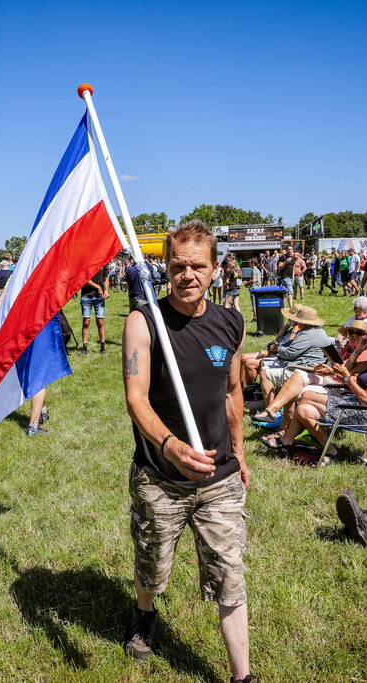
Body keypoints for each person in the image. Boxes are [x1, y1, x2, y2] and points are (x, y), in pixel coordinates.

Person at [121, 221, 255, 683]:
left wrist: (238, 452)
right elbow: (136, 397)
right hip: (161, 478)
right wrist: (172, 446)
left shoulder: (231, 322)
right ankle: (144, 612)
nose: (187, 275)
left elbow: (233, 391)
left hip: (218, 478)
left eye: (197, 266)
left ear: (215, 269)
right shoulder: (144, 322)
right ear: (166, 267)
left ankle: (242, 676)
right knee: (152, 566)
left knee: (229, 575)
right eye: (178, 265)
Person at [283, 326, 367, 464]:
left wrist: (347, 378)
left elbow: (366, 399)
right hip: (353, 404)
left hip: (365, 414)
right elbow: (347, 369)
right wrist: (359, 350)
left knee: (305, 402)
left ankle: (293, 441)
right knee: (304, 403)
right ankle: (297, 443)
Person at [251, 305, 330, 421]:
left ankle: (270, 410)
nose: (294, 321)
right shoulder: (316, 331)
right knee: (263, 365)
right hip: (304, 367)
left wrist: (276, 349)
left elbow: (288, 354)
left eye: (297, 320)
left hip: (304, 370)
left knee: (264, 372)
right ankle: (269, 408)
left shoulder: (307, 334)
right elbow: (288, 347)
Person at [80, 264, 109, 354]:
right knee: (86, 321)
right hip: (86, 296)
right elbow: (84, 279)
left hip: (99, 297)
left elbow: (106, 278)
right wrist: (98, 287)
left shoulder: (104, 263)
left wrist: (106, 291)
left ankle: (102, 347)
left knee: (100, 321)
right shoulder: (86, 263)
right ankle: (85, 347)